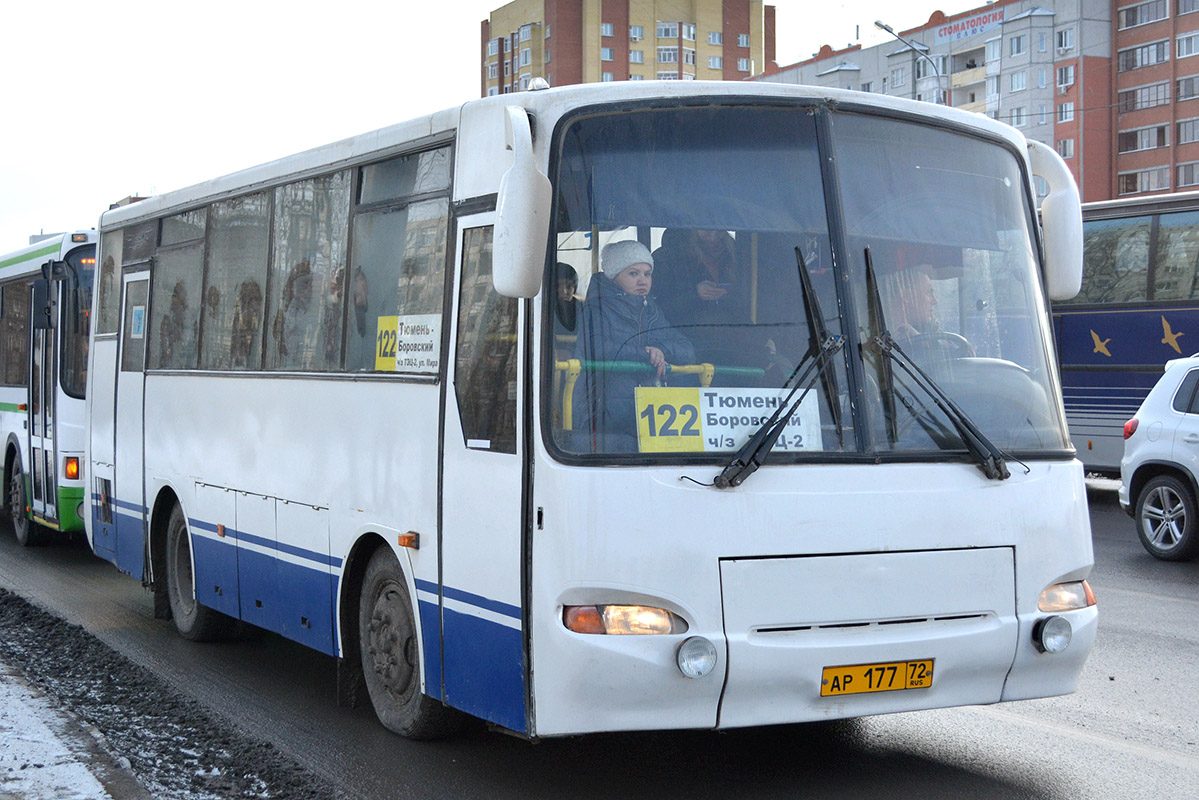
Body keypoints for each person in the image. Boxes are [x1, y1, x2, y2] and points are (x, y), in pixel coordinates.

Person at [572, 240, 695, 452]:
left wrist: (662, 351)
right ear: (613, 275)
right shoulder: (596, 308)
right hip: (602, 414)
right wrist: (646, 354)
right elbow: (598, 349)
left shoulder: (653, 312)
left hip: (649, 413)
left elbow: (688, 350)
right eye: (633, 273)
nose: (642, 281)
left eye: (647, 274)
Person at [652, 229, 749, 361]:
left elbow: (743, 305)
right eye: (703, 226)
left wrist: (763, 338)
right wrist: (695, 294)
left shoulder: (737, 256)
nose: (711, 232)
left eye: (717, 228)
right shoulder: (670, 258)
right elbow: (659, 308)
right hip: (686, 343)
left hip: (728, 342)